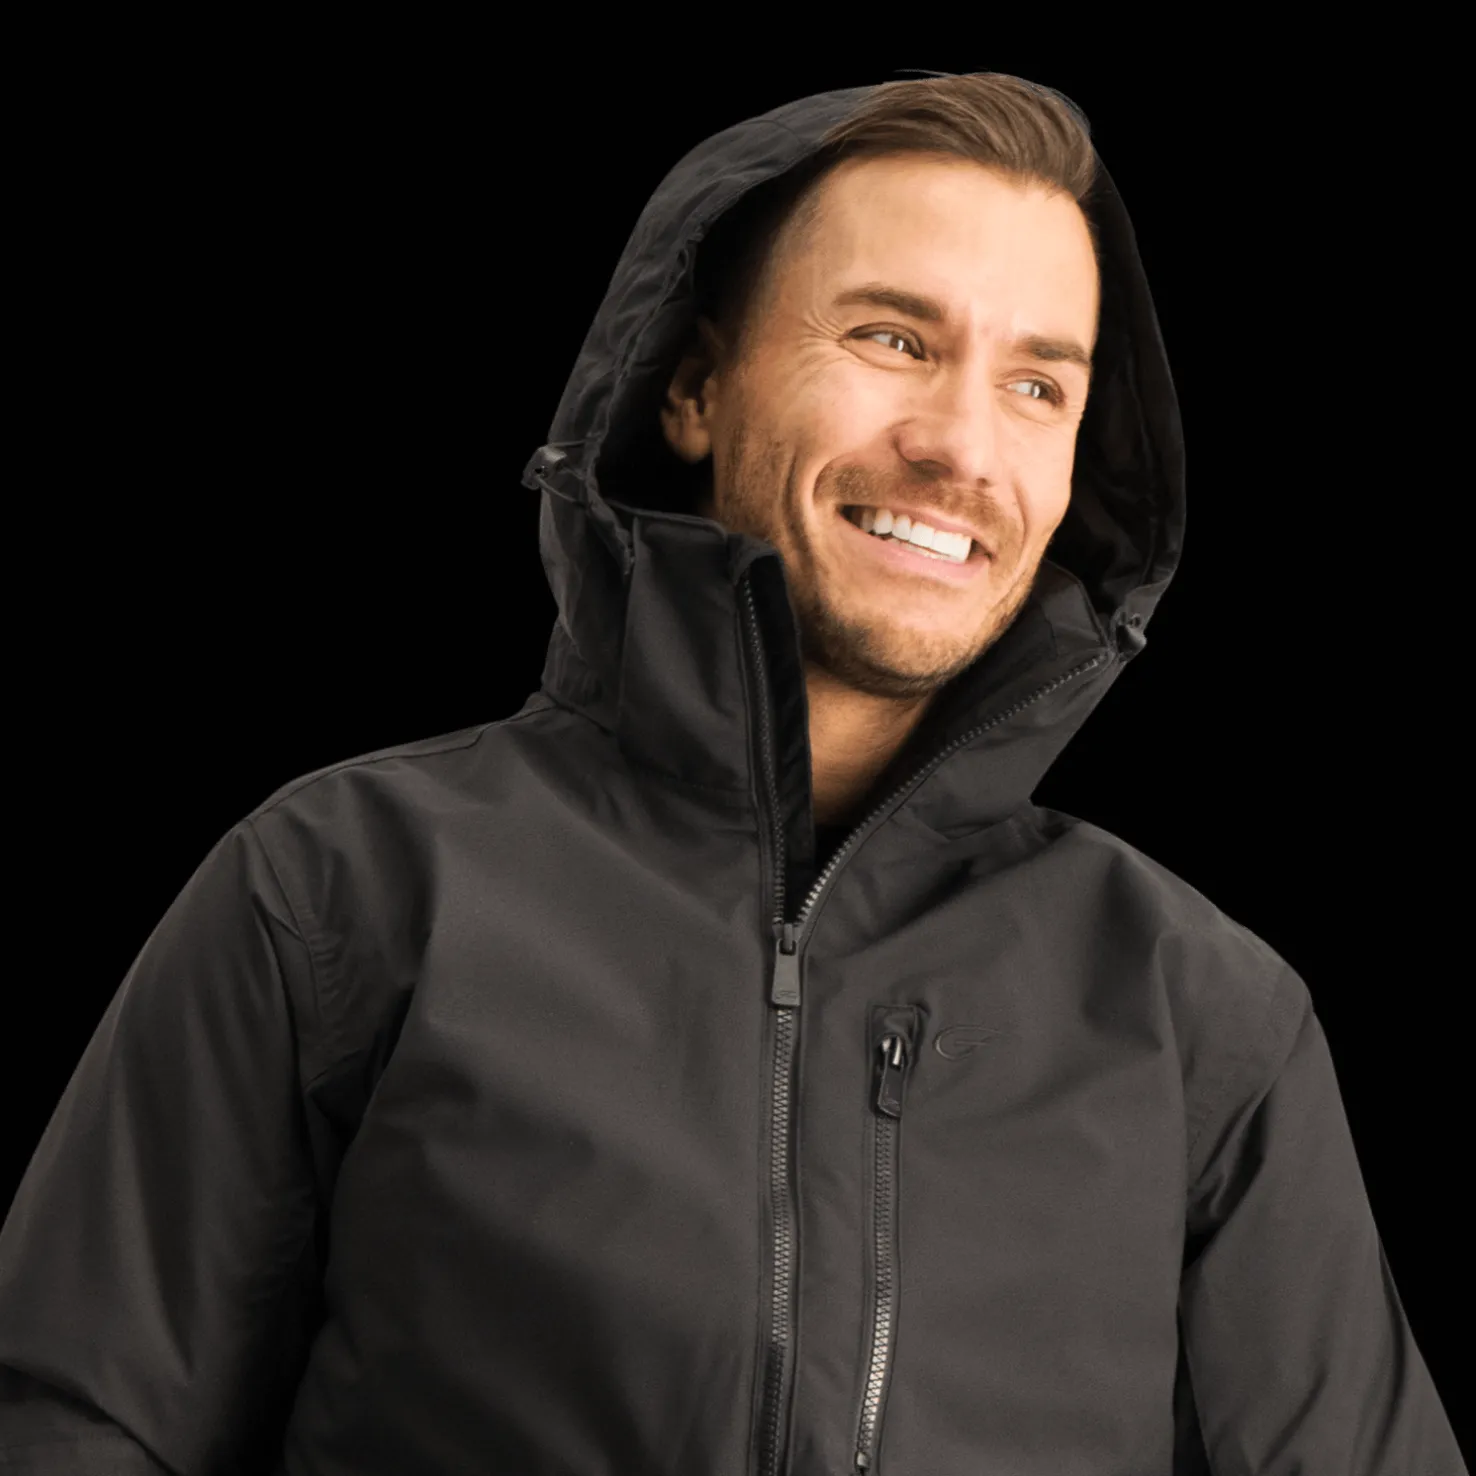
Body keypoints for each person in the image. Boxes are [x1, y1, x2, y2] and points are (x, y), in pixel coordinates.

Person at [0, 70, 1464, 1476]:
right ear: (696, 386)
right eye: (893, 339)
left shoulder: (1202, 1017)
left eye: (1037, 384)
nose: (961, 445)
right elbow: (73, 1420)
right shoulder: (343, 890)